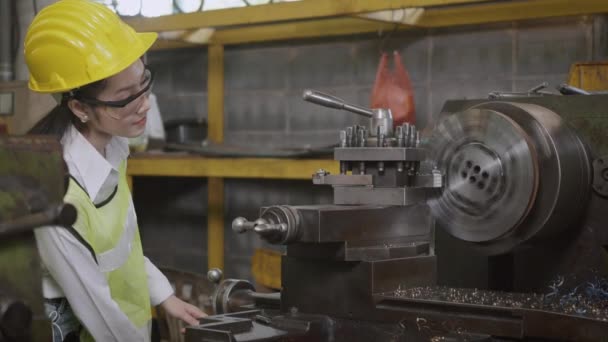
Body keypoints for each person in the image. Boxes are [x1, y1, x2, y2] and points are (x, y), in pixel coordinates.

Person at [24, 1, 206, 341]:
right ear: (79, 107)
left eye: (144, 81)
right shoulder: (59, 195)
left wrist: (162, 295)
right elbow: (95, 306)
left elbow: (121, 248)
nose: (145, 103)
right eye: (126, 97)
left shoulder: (112, 148)